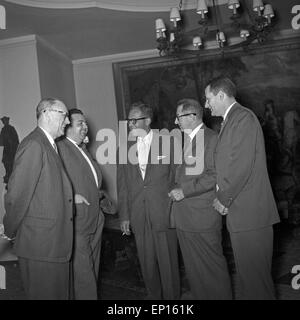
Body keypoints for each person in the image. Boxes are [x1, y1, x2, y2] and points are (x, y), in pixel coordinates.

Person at [205, 77, 280, 300]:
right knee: (250, 283)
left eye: (208, 99)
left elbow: (241, 165)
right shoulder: (231, 120)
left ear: (221, 95)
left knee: (257, 285)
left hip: (251, 215)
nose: (207, 105)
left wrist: (223, 198)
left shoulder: (243, 118)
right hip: (243, 214)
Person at [3, 98, 74, 300]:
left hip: (52, 244)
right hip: (41, 247)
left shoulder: (48, 144)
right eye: (64, 115)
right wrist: (9, 230)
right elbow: (16, 196)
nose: (67, 121)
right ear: (47, 113)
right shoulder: (34, 144)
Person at [168, 98, 232, 300]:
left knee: (213, 269)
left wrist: (184, 191)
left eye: (179, 117)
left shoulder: (212, 139)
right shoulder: (182, 140)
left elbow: (215, 175)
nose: (175, 122)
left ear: (193, 116)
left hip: (202, 217)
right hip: (184, 217)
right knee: (194, 272)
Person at [117, 102, 180, 300]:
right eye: (129, 120)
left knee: (169, 264)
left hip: (163, 213)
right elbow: (123, 185)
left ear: (148, 121)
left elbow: (177, 177)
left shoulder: (168, 142)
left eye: (134, 120)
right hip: (138, 215)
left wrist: (174, 209)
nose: (130, 124)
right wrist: (124, 216)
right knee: (147, 264)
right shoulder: (123, 147)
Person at [57, 108, 115, 300]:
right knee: (84, 276)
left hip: (94, 218)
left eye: (85, 123)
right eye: (79, 123)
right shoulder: (61, 149)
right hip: (77, 220)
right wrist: (72, 197)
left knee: (92, 269)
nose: (85, 127)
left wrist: (102, 197)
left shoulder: (81, 149)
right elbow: (54, 182)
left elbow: (93, 181)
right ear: (67, 127)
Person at [0, 116, 19, 184]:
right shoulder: (3, 130)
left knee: (11, 164)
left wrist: (11, 142)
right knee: (6, 163)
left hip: (12, 150)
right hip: (7, 150)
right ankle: (8, 175)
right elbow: (1, 142)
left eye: (5, 121)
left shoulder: (12, 129)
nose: (4, 122)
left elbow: (16, 140)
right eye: (3, 121)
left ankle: (10, 176)